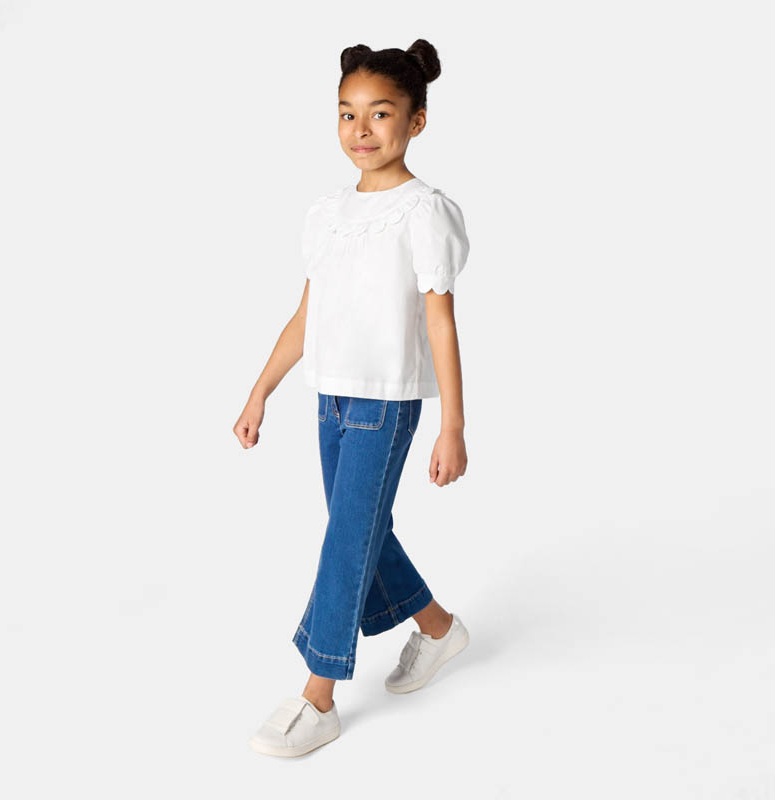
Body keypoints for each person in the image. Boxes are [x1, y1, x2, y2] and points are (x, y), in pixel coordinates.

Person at [234, 39, 471, 758]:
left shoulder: (424, 212)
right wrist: (260, 389)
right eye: (347, 113)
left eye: (380, 113)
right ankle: (438, 628)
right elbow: (307, 315)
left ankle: (318, 696)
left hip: (385, 404)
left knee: (345, 541)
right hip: (329, 401)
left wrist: (453, 426)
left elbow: (440, 321)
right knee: (360, 529)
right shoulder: (327, 214)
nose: (361, 129)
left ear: (416, 121)